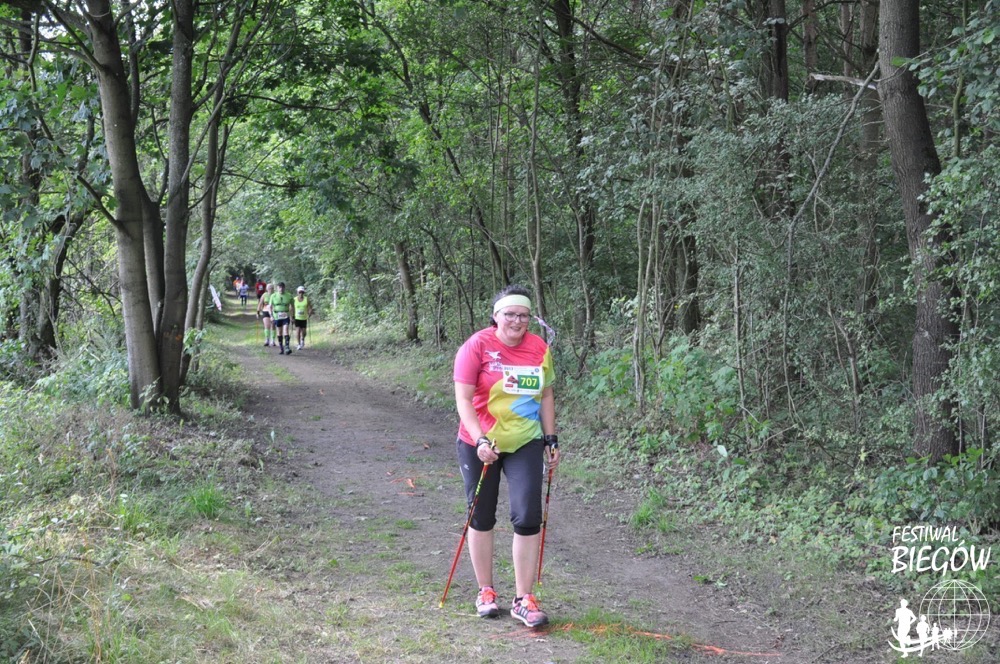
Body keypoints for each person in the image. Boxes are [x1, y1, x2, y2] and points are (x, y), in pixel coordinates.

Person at [452, 284, 559, 628]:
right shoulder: (477, 346)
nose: (517, 321)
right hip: (480, 441)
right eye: (510, 314)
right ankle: (486, 591)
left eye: (524, 315)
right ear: (496, 316)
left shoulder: (539, 348)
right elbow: (464, 399)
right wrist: (480, 439)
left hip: (525, 440)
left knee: (528, 515)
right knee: (481, 515)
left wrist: (551, 437)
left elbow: (546, 395)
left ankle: (523, 599)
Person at [269, 282, 296, 355]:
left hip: (285, 315)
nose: (281, 289)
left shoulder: (289, 295)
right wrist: (271, 315)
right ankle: (281, 348)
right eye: (279, 287)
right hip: (277, 316)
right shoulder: (273, 296)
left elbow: (292, 307)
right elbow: (270, 307)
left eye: (282, 287)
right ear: (277, 288)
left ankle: (287, 347)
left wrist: (293, 316)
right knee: (279, 331)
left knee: (286, 330)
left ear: (284, 288)